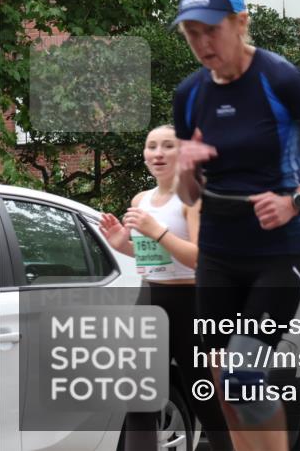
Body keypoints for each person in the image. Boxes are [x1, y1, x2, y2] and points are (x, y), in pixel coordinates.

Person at [170, 0, 300, 451]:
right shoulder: (189, 95)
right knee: (222, 379)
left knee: (243, 371)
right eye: (192, 33)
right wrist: (187, 169)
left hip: (280, 246)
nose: (202, 43)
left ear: (240, 23)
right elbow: (189, 196)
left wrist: (294, 200)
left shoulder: (280, 78)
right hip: (218, 246)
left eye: (211, 29)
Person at [98, 124, 233, 451]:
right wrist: (123, 244)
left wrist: (156, 231)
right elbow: (157, 255)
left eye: (167, 146)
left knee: (206, 401)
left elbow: (202, 257)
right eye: (151, 146)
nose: (157, 153)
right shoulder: (141, 199)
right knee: (139, 404)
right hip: (149, 301)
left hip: (191, 305)